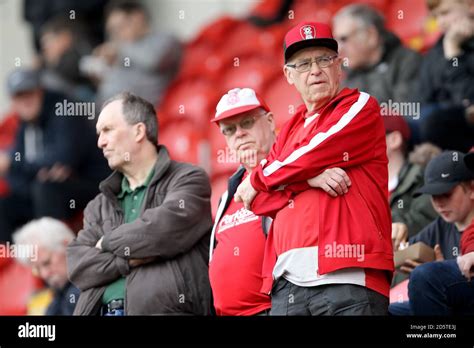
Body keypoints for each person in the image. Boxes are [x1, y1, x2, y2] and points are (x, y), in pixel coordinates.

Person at [234, 22, 394, 315]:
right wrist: (311, 179)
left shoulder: (359, 106)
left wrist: (268, 178)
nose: (315, 70)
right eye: (304, 63)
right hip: (287, 285)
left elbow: (309, 155)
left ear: (338, 66)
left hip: (348, 277)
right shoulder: (287, 131)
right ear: (289, 75)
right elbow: (258, 200)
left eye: (324, 59)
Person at [67, 92, 212, 315]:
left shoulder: (189, 179)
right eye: (99, 134)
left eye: (107, 130)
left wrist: (104, 242)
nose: (100, 142)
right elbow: (77, 265)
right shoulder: (99, 204)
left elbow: (160, 233)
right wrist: (127, 259)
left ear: (138, 131)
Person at [209, 87, 352, 315]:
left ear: (269, 120)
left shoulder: (304, 169)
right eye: (229, 130)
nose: (239, 134)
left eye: (247, 123)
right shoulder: (230, 191)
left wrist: (305, 178)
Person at [0, 68, 109, 242]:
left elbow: (63, 159)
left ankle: (56, 254)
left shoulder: (65, 110)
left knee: (46, 188)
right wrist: (38, 170)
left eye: (29, 93)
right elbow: (17, 178)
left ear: (40, 91)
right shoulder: (24, 126)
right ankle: (19, 263)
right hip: (51, 189)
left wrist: (16, 164)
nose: (25, 100)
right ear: (13, 101)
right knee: (5, 205)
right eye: (19, 96)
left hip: (94, 184)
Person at [388, 150, 474, 315]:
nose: (439, 203)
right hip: (447, 305)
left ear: (471, 188)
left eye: (445, 194)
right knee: (384, 310)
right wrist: (393, 238)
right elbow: (398, 257)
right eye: (433, 196)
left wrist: (438, 273)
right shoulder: (438, 227)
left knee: (425, 275)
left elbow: (429, 276)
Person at [91, 0, 182, 106]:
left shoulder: (166, 39)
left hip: (140, 110)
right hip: (106, 108)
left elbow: (153, 61)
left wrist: (119, 50)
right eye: (113, 30)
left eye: (120, 27)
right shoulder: (126, 48)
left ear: (138, 17)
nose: (117, 34)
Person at [332, 4, 422, 105]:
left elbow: (406, 114)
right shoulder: (346, 73)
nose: (339, 49)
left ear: (371, 35)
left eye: (344, 39)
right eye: (336, 41)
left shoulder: (408, 62)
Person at [417, 0, 474, 150]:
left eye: (445, 13)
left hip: (463, 125)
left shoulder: (448, 45)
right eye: (435, 17)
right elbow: (423, 100)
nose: (440, 22)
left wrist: (453, 52)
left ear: (471, 6)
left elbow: (468, 101)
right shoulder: (435, 53)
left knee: (435, 123)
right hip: (444, 129)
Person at [384, 116, 437, 250]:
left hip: (403, 264)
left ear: (394, 140)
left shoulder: (422, 178)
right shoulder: (360, 183)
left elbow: (425, 220)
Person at [13, 217, 80, 315]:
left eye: (47, 263)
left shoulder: (78, 292)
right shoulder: (60, 294)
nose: (44, 274)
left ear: (67, 246)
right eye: (37, 269)